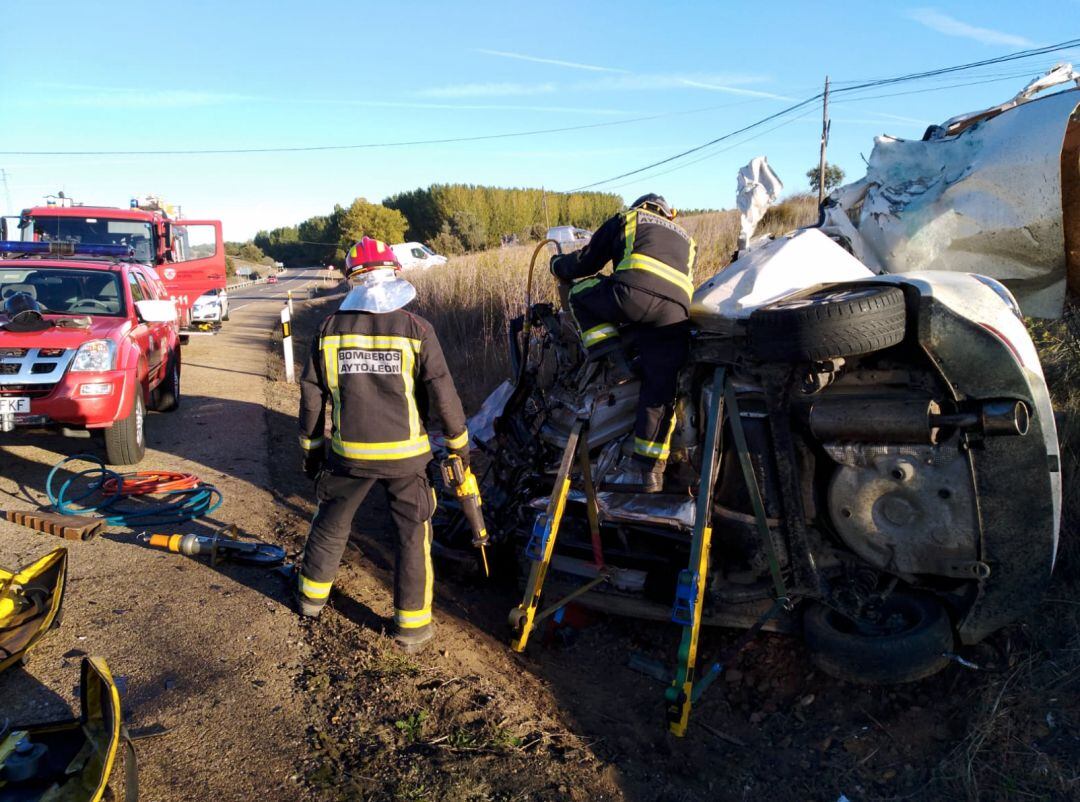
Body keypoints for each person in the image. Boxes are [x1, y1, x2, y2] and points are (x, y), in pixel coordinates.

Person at [296, 237, 469, 653]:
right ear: (394, 273)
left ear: (352, 279)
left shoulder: (328, 330)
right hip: (407, 458)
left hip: (348, 456)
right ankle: (410, 629)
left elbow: (311, 398)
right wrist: (459, 445)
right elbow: (442, 393)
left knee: (331, 524)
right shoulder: (417, 329)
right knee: (412, 536)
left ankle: (310, 600)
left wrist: (311, 453)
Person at [550, 194, 695, 494]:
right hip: (676, 314)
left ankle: (611, 357)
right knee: (659, 391)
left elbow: (585, 262)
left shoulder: (628, 219)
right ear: (668, 214)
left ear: (640, 206)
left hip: (632, 295)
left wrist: (557, 266)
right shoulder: (686, 238)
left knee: (579, 294)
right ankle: (651, 473)